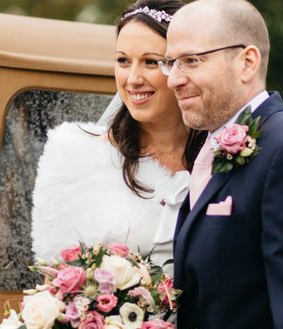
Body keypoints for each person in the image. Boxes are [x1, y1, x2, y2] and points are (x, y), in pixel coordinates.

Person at [161, 0, 283, 329]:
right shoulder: (211, 146)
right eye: (171, 62)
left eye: (191, 60)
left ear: (247, 62)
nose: (173, 79)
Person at [31, 0, 205, 270]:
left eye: (150, 62)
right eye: (123, 61)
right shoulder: (76, 156)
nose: (132, 78)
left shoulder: (223, 156)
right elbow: (57, 283)